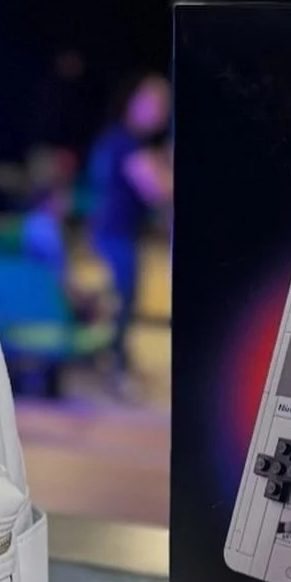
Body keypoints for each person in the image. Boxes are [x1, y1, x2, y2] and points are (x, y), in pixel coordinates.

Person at [85, 73, 172, 373]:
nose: (162, 110)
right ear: (133, 101)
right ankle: (114, 363)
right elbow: (158, 190)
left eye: (164, 103)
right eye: (154, 101)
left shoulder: (121, 139)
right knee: (124, 298)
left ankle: (110, 358)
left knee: (120, 297)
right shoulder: (125, 142)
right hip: (115, 233)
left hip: (113, 231)